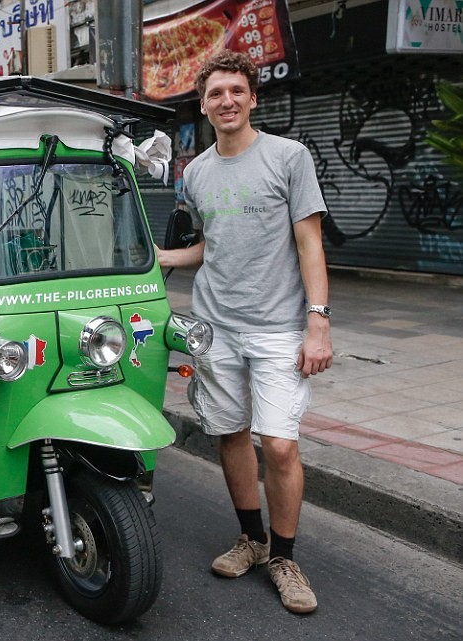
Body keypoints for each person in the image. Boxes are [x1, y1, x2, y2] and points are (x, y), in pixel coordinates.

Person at [157, 50, 333, 614]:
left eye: (236, 91)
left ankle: (284, 555)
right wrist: (161, 255)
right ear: (203, 105)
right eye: (215, 94)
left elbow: (310, 243)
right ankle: (251, 540)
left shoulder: (289, 157)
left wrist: (318, 323)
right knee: (230, 434)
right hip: (216, 326)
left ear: (252, 97)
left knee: (279, 445)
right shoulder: (198, 172)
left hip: (280, 328)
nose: (226, 101)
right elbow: (214, 244)